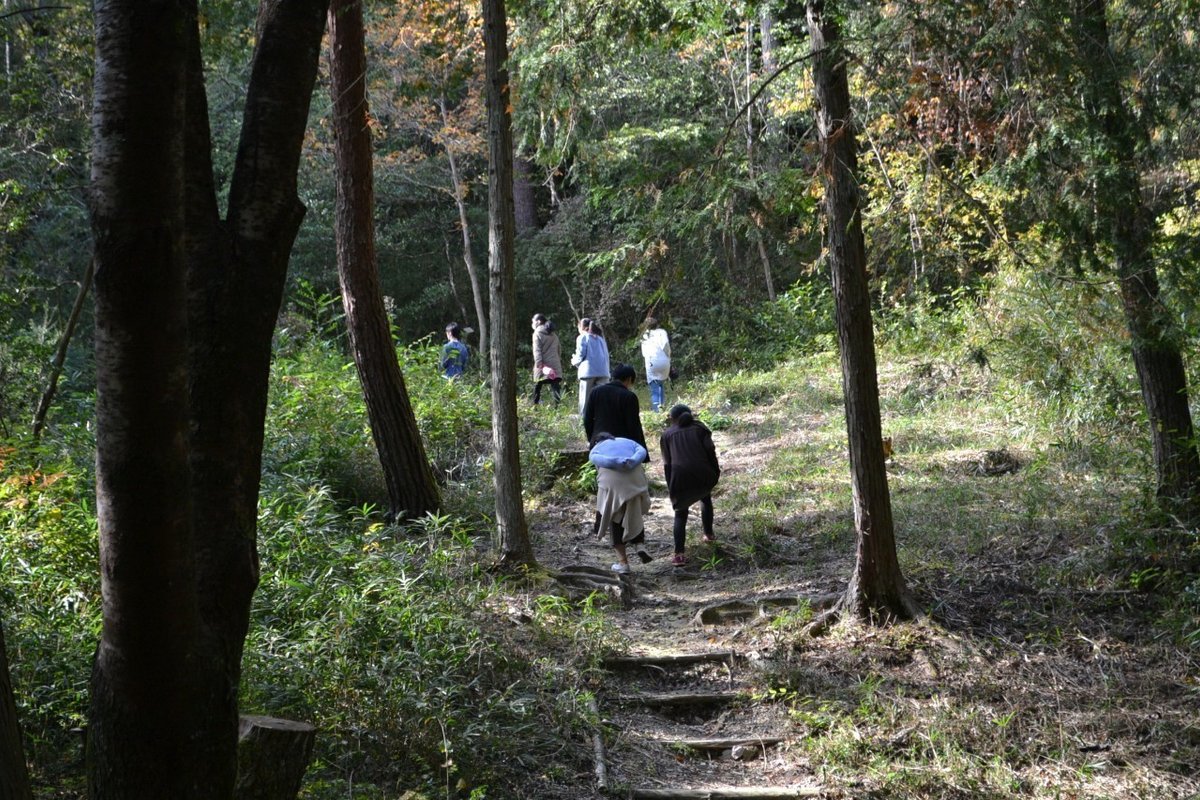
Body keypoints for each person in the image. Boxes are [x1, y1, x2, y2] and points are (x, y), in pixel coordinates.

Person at [660, 404, 719, 566]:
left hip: (680, 476)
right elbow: (710, 449)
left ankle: (679, 555)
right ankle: (709, 535)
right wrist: (714, 471)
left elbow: (667, 463)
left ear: (673, 418)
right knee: (705, 499)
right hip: (703, 472)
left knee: (680, 513)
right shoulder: (700, 428)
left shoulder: (667, 434)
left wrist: (670, 483)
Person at [589, 433, 652, 573]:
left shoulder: (596, 448)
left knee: (614, 518)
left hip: (612, 486)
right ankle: (639, 545)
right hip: (636, 482)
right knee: (633, 512)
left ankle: (623, 564)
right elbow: (641, 451)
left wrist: (617, 462)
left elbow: (597, 462)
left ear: (596, 441)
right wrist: (628, 462)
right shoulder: (628, 441)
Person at [583, 363, 647, 457]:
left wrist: (592, 439)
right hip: (622, 445)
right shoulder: (629, 397)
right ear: (629, 379)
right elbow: (633, 426)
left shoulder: (595, 392)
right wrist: (640, 450)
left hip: (599, 442)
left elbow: (587, 419)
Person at [570, 317, 610, 414]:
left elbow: (580, 355)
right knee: (601, 400)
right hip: (604, 372)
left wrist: (573, 361)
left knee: (585, 400)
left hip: (588, 372)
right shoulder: (601, 338)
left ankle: (583, 422)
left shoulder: (583, 337)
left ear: (582, 327)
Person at [531, 313, 564, 405]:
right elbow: (559, 350)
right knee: (555, 386)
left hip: (543, 364)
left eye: (533, 321)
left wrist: (539, 364)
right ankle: (558, 407)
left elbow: (537, 350)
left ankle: (535, 406)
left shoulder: (537, 333)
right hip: (555, 364)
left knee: (537, 385)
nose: (532, 323)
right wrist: (557, 361)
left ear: (538, 322)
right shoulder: (554, 335)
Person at [640, 317, 671, 412]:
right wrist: (669, 358)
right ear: (657, 325)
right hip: (664, 361)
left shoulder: (644, 336)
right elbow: (666, 346)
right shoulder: (662, 332)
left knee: (654, 388)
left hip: (652, 362)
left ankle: (657, 411)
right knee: (661, 384)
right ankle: (661, 407)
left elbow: (644, 354)